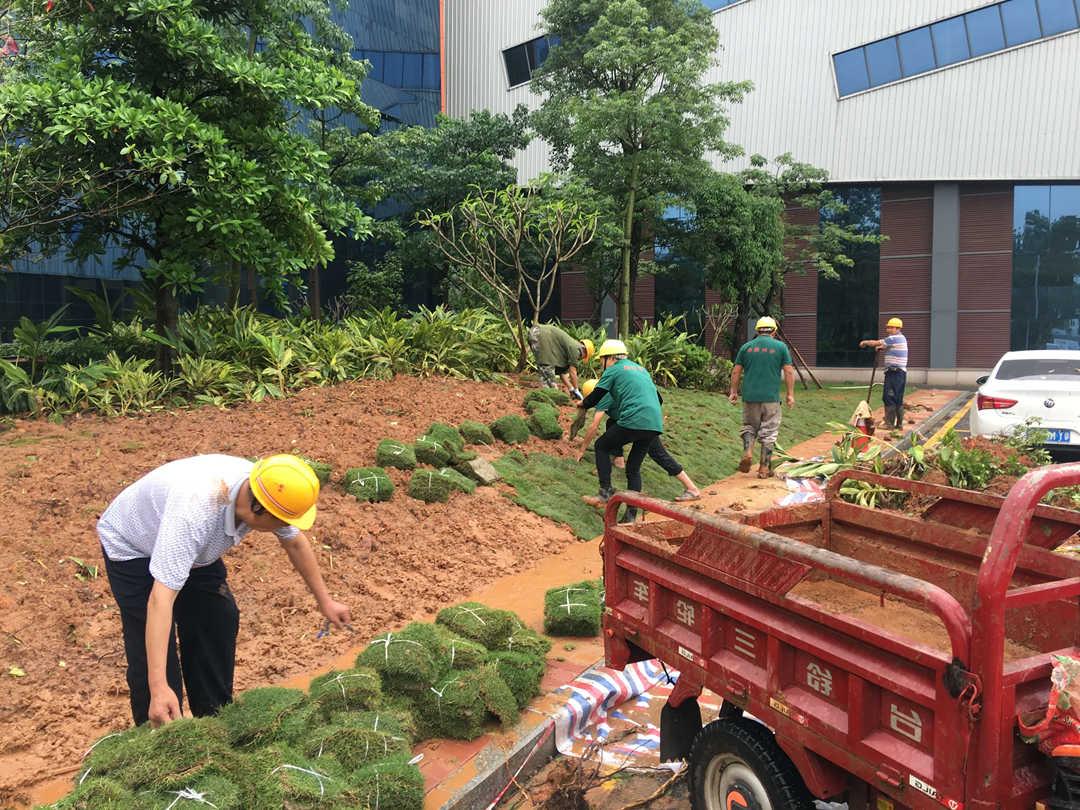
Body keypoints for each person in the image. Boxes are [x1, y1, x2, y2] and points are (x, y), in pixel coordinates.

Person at [97, 454, 350, 728]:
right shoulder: (196, 511)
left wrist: (325, 601)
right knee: (156, 657)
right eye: (282, 520)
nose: (285, 526)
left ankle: (214, 719)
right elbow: (160, 599)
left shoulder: (268, 488)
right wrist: (159, 688)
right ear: (258, 510)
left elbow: (296, 544)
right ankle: (158, 729)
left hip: (194, 550)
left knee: (218, 617)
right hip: (134, 545)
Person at [577, 340, 664, 522]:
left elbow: (597, 394)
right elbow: (659, 398)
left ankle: (605, 492)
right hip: (654, 422)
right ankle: (631, 516)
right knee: (633, 468)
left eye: (602, 360)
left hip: (634, 418)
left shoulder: (614, 369)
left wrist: (583, 403)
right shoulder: (641, 369)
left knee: (601, 445)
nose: (602, 364)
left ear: (609, 358)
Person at [574, 378, 701, 501]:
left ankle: (692, 489)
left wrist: (582, 450)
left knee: (659, 454)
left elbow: (594, 426)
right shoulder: (614, 390)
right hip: (640, 419)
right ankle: (619, 461)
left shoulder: (604, 397)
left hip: (642, 423)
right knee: (611, 424)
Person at [729, 316, 795, 479]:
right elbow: (788, 371)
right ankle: (764, 468)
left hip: (750, 397)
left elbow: (736, 371)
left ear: (757, 330)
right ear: (774, 331)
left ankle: (748, 451)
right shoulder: (780, 347)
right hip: (771, 398)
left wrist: (733, 391)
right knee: (769, 432)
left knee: (749, 427)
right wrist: (790, 394)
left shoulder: (746, 347)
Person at [860, 317, 908, 432]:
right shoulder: (900, 338)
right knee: (898, 398)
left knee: (888, 397)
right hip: (899, 373)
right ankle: (899, 424)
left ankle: (889, 424)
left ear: (897, 328)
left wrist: (865, 342)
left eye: (891, 327)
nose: (888, 329)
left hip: (894, 373)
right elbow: (884, 345)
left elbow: (876, 342)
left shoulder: (894, 338)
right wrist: (881, 347)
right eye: (888, 327)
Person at [529, 323, 594, 400]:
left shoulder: (569, 346)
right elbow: (573, 372)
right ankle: (552, 398)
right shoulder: (576, 350)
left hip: (534, 332)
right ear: (585, 351)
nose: (581, 359)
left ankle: (546, 395)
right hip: (541, 334)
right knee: (548, 370)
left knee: (544, 371)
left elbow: (562, 373)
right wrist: (576, 389)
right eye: (584, 357)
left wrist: (571, 389)